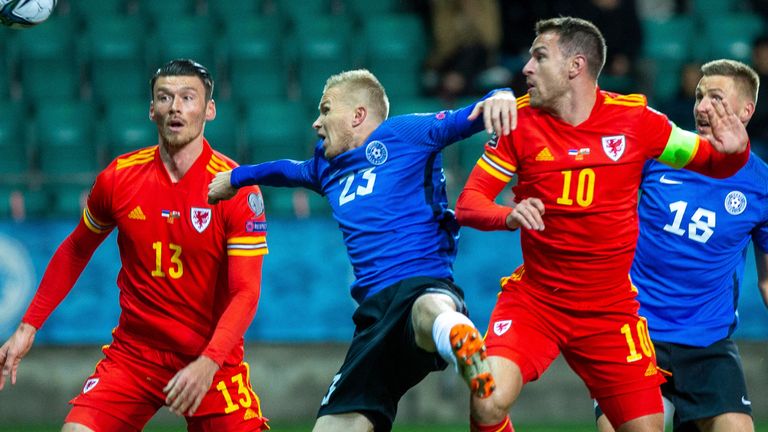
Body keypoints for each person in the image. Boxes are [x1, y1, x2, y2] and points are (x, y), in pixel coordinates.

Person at [455, 17, 751, 432]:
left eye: (539, 57)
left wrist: (737, 153)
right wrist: (509, 215)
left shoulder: (637, 121)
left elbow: (713, 162)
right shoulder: (518, 122)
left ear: (575, 66)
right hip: (537, 301)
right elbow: (468, 204)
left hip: (608, 311)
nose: (526, 68)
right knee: (486, 401)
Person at [207, 69, 517, 432]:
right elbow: (284, 170)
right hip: (372, 321)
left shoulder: (406, 133)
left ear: (357, 115)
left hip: (422, 283)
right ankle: (455, 337)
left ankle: (459, 340)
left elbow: (472, 115)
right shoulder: (324, 168)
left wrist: (501, 94)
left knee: (427, 309)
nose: (316, 122)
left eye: (325, 110)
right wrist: (235, 178)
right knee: (332, 427)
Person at [0, 59, 270, 432]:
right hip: (134, 357)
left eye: (187, 97)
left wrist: (208, 362)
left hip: (210, 361)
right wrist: (28, 326)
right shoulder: (119, 179)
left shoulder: (236, 191)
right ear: (151, 110)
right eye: (165, 97)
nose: (175, 107)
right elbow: (77, 248)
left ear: (209, 110)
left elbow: (246, 293)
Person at [593, 60, 768, 432]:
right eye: (699, 96)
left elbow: (767, 281)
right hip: (635, 330)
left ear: (746, 110)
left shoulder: (761, 185)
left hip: (708, 343)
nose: (702, 106)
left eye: (716, 98)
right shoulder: (661, 152)